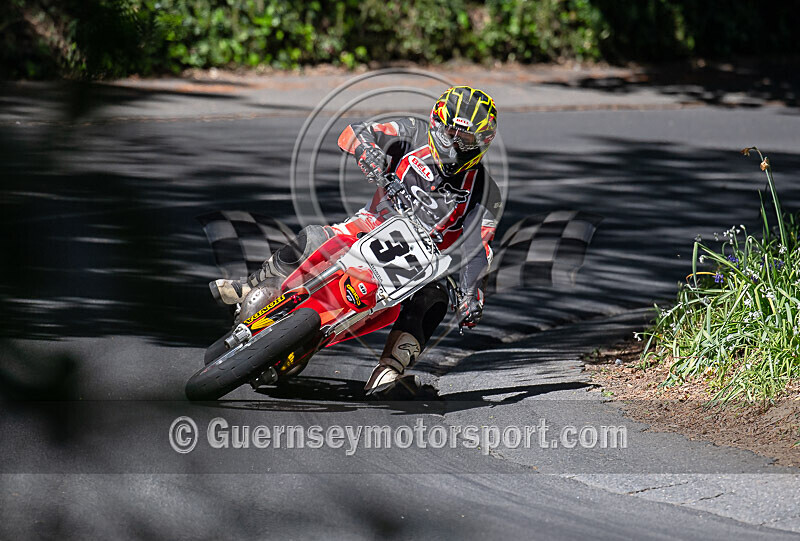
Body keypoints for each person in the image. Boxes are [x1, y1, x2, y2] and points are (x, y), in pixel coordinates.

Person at [209, 85, 503, 397]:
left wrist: (472, 293)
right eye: (453, 134)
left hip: (421, 266)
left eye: (468, 139)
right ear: (437, 123)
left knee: (435, 297)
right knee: (314, 236)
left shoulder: (487, 193)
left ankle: (388, 372)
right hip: (368, 226)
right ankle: (251, 285)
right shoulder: (412, 133)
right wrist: (368, 151)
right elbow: (355, 131)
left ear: (482, 142)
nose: (457, 145)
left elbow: (478, 247)